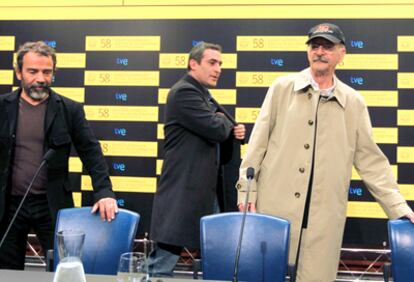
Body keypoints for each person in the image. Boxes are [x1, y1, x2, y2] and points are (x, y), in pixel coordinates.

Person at [236, 23, 414, 282]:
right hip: (273, 212)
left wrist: (398, 206)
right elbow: (257, 146)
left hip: (324, 222)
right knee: (264, 275)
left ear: (341, 54)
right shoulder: (281, 88)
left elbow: (371, 161)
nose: (320, 52)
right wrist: (246, 192)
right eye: (315, 46)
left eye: (327, 47)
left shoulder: (354, 102)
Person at [0, 41, 118, 270]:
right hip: (8, 206)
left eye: (47, 72)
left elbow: (91, 152)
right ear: (18, 72)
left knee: (65, 268)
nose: (41, 78)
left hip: (52, 205)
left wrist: (104, 192)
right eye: (32, 71)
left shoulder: (69, 109)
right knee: (6, 271)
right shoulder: (2, 107)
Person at [149, 42, 245, 276]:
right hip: (183, 194)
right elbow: (217, 128)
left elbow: (222, 129)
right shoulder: (184, 91)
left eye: (220, 63)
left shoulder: (203, 95)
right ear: (193, 64)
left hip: (205, 192)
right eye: (212, 62)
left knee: (217, 263)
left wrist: (231, 128)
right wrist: (224, 122)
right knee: (161, 266)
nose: (218, 69)